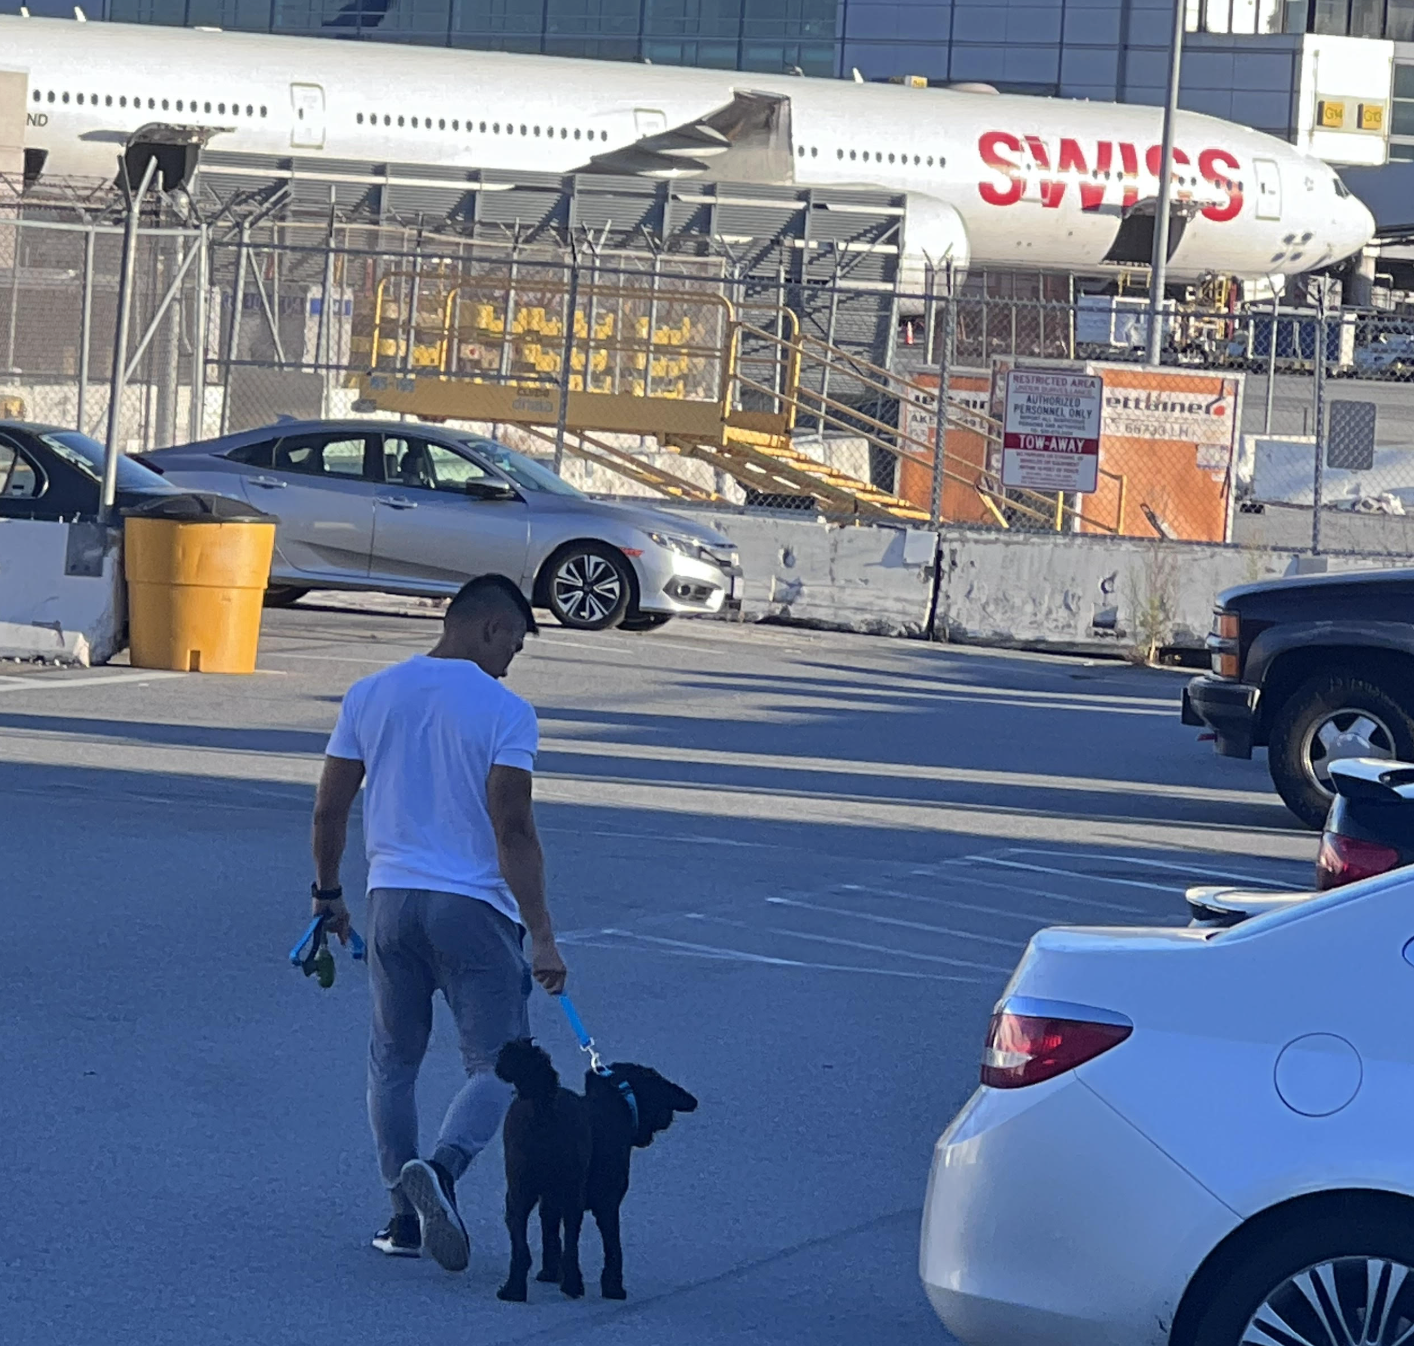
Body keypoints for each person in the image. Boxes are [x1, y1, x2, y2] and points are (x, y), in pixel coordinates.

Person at [309, 573, 568, 1273]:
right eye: (514, 642)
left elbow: (330, 807)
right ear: (488, 628)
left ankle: (402, 1218)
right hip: (473, 908)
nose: (513, 658)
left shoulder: (371, 693)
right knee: (502, 1064)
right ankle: (445, 1172)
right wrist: (541, 931)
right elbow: (512, 827)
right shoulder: (507, 712)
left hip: (391, 900)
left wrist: (328, 893)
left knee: (392, 1063)